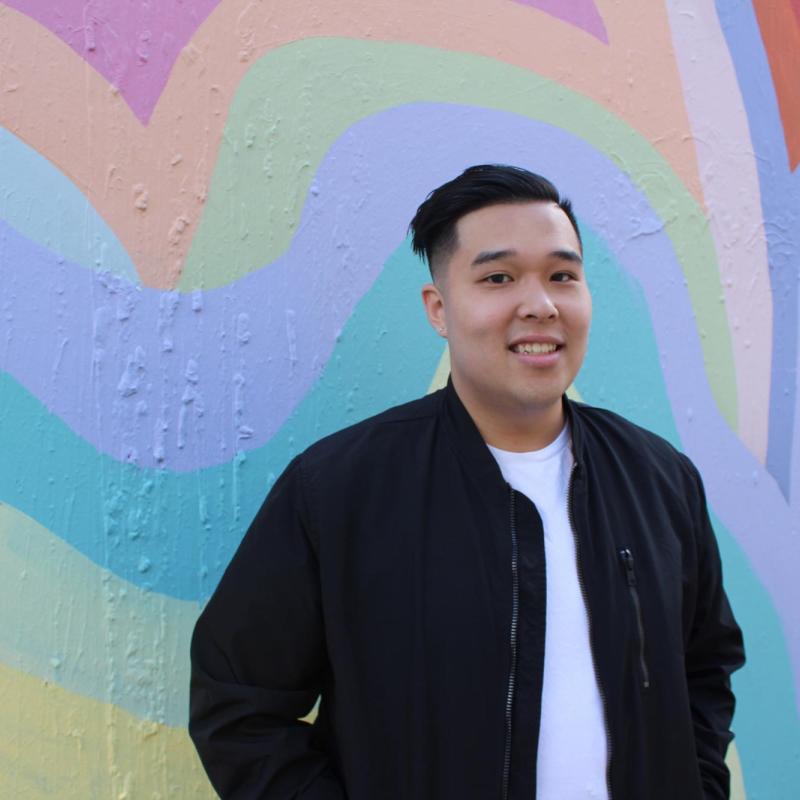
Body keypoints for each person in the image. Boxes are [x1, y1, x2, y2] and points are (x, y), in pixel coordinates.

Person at [189, 165, 745, 799]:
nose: (540, 304)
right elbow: (237, 708)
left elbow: (705, 670)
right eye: (498, 278)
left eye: (563, 276)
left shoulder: (658, 478)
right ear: (439, 309)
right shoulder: (341, 490)